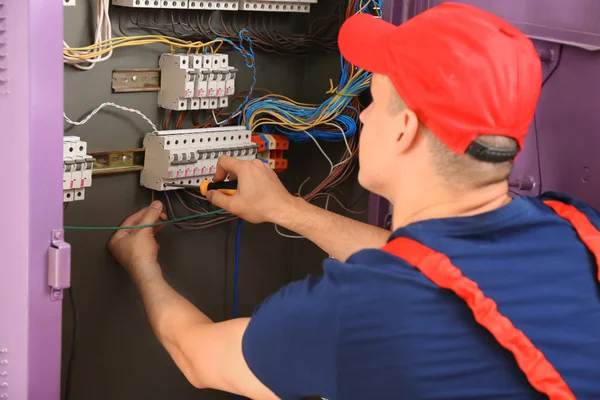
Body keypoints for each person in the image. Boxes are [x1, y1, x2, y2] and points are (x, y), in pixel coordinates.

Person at [108, 3, 600, 399]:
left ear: (405, 130)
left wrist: (141, 264)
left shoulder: (363, 313)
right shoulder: (579, 232)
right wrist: (286, 210)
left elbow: (197, 357)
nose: (360, 119)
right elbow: (435, 267)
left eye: (372, 101)